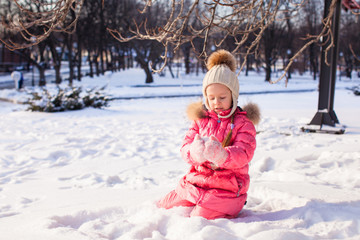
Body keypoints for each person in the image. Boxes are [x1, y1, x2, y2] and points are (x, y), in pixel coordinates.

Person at [158, 49, 260, 220]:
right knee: (165, 205)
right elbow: (185, 147)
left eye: (222, 97)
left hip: (227, 188)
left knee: (200, 217)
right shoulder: (201, 119)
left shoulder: (243, 124)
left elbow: (244, 153)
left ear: (233, 96)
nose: (216, 102)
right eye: (211, 98)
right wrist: (194, 151)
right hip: (197, 181)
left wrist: (222, 155)